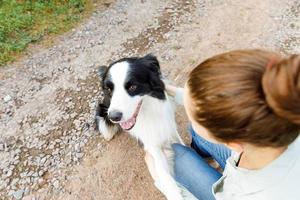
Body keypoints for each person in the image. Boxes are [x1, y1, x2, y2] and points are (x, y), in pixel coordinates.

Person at [146, 49, 300, 200]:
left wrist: (163, 181)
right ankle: (201, 147)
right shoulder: (289, 107)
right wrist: (171, 91)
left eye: (192, 115)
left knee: (170, 157)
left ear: (233, 144)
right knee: (197, 133)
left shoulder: (245, 194)